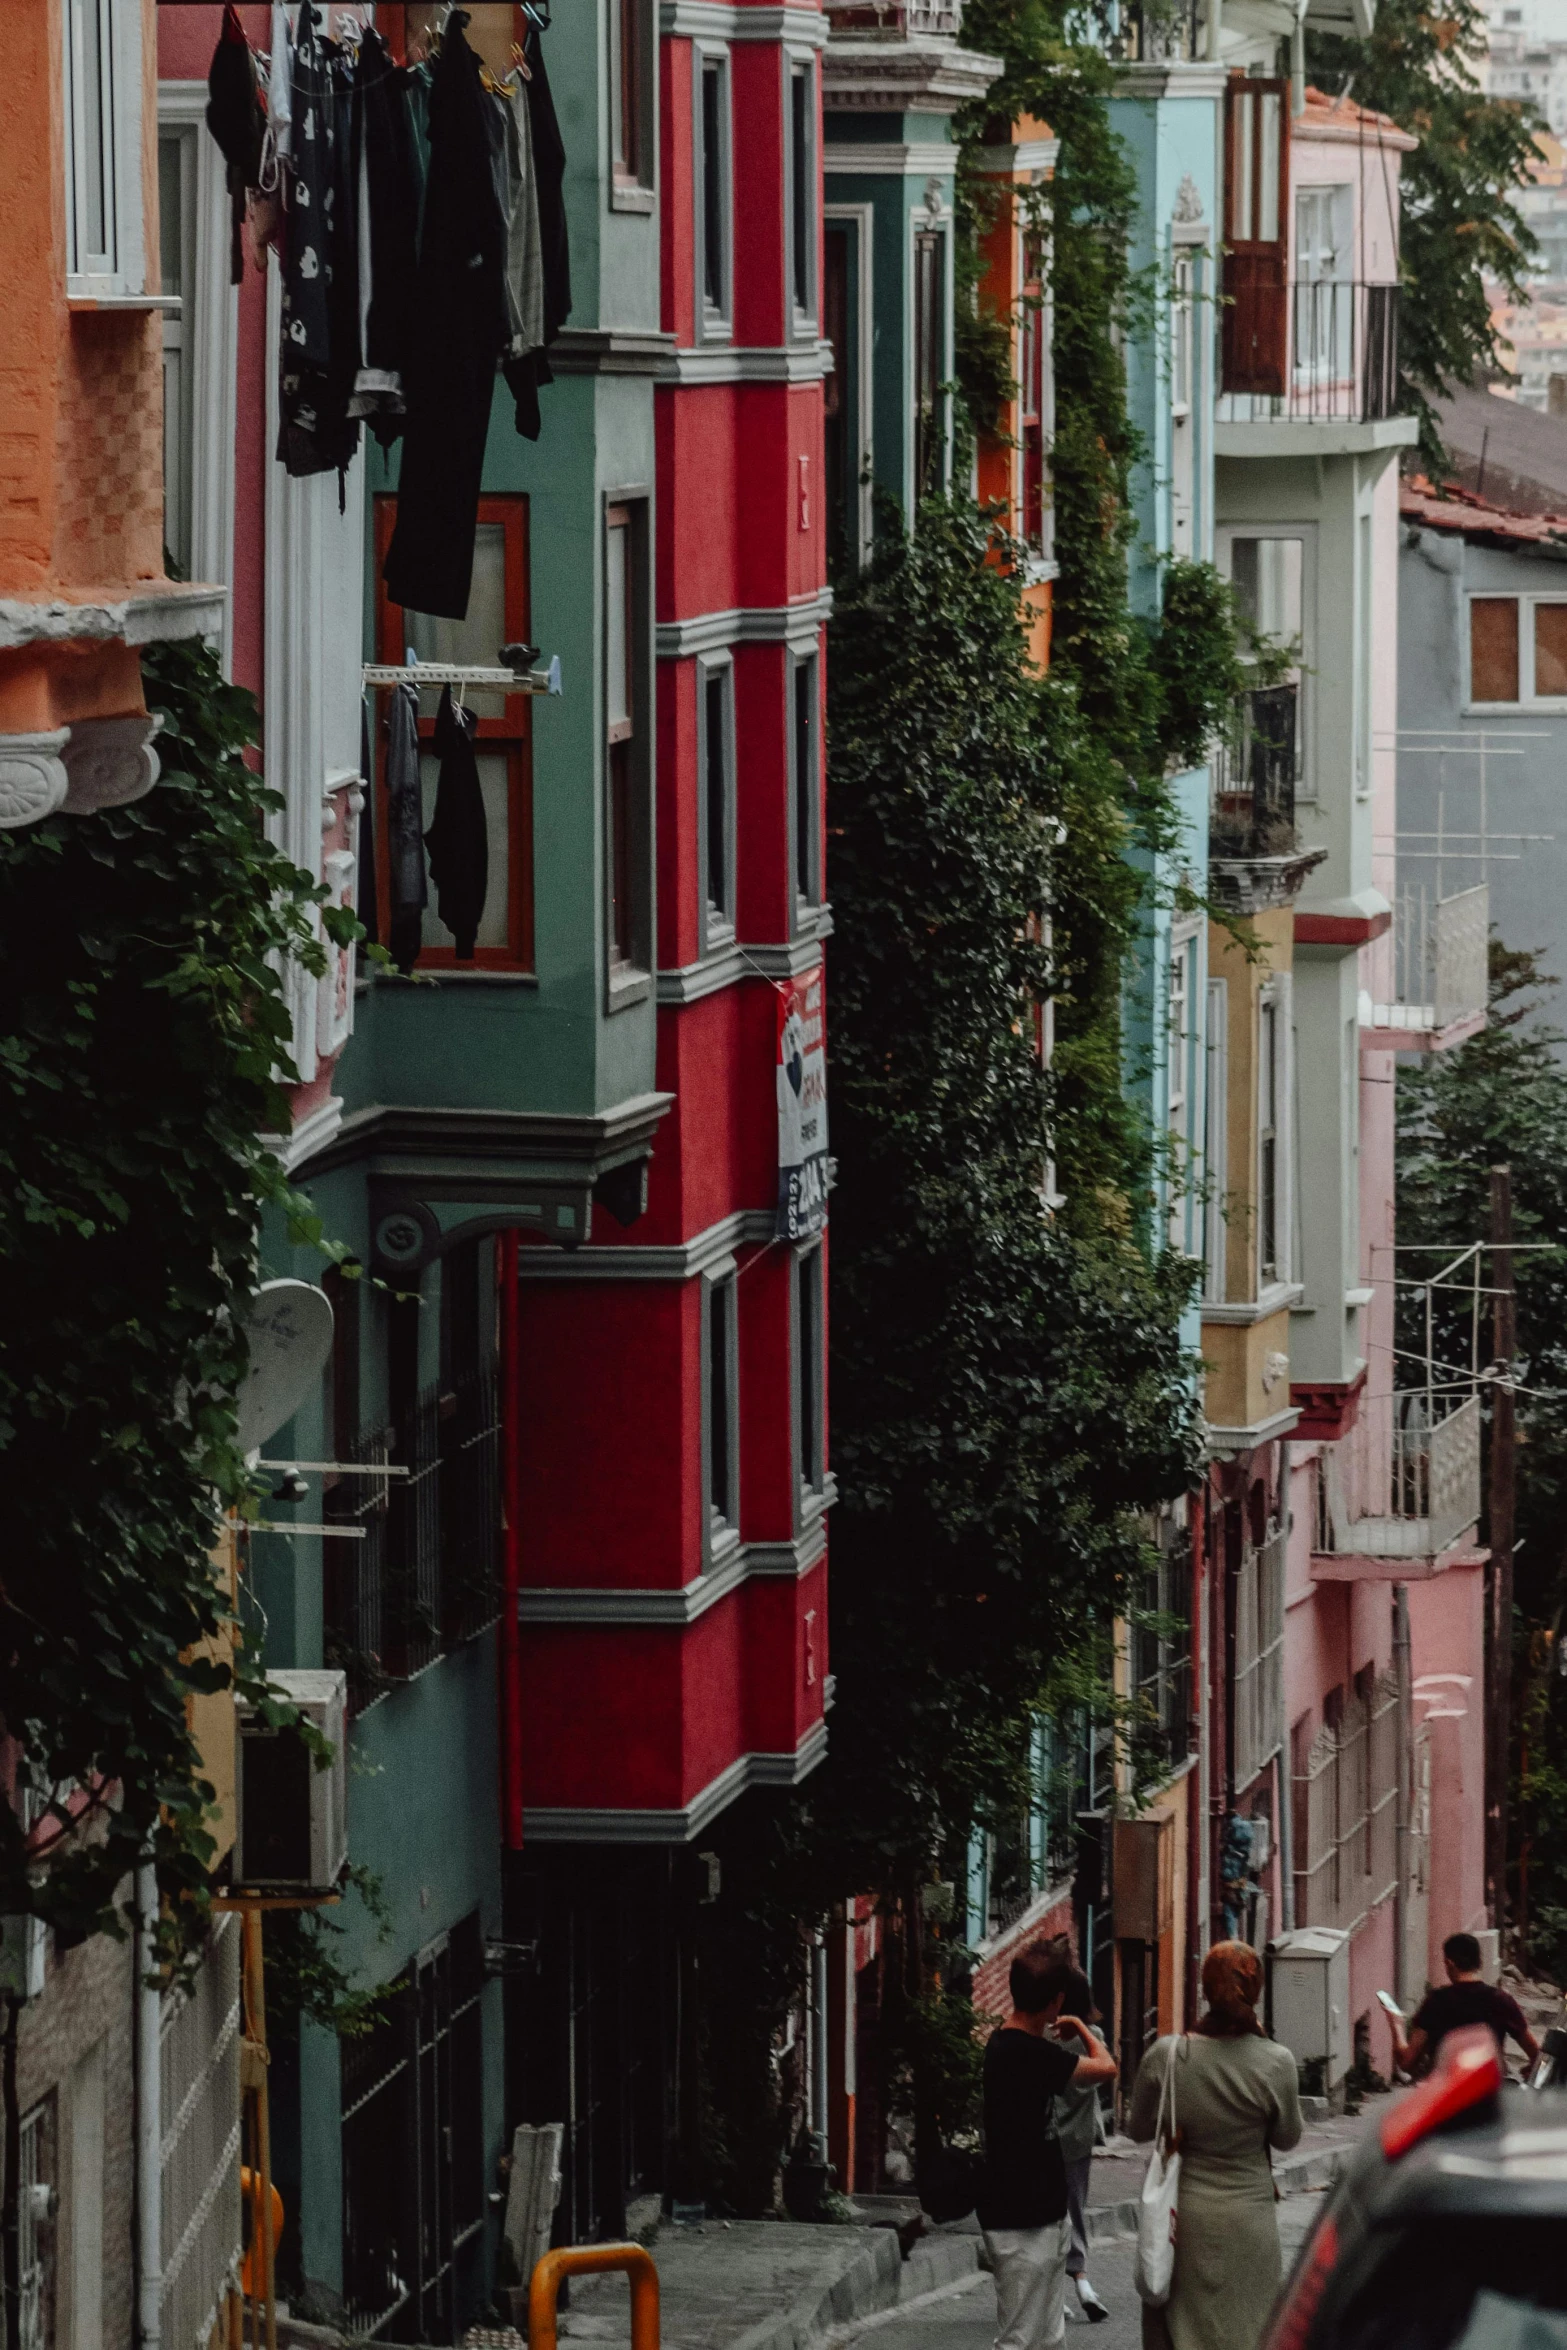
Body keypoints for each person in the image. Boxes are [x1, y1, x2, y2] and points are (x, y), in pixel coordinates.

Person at [1129, 1941, 1302, 2350]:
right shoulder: (1277, 2061)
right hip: (1250, 2220)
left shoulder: (1168, 2055)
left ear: (1205, 1988)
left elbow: (1138, 2129)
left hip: (1184, 2221)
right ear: (1255, 1990)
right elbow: (1287, 2137)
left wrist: (1180, 2118)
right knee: (1248, 2329)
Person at [978, 1944, 1119, 2350]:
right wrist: (1085, 2031)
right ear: (1057, 2001)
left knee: (1046, 2336)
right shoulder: (1029, 2054)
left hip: (1036, 2213)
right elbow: (1107, 2068)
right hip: (1022, 2218)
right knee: (1021, 2338)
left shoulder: (1003, 2044)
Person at [1391, 1932, 1542, 2078]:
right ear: (1479, 1962)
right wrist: (1530, 2069)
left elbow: (1407, 2062)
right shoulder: (1501, 2000)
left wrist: (1396, 2024)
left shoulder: (1436, 2001)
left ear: (1450, 1963)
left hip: (1446, 2093)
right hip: (1489, 2093)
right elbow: (1536, 2054)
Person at [1049, 1964, 1110, 2323]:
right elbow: (1105, 2066)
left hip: (1047, 2140)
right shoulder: (1093, 2037)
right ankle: (1083, 2282)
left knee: (1047, 2217)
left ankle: (1054, 2293)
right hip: (1079, 2142)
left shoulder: (1043, 2039)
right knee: (1075, 2211)